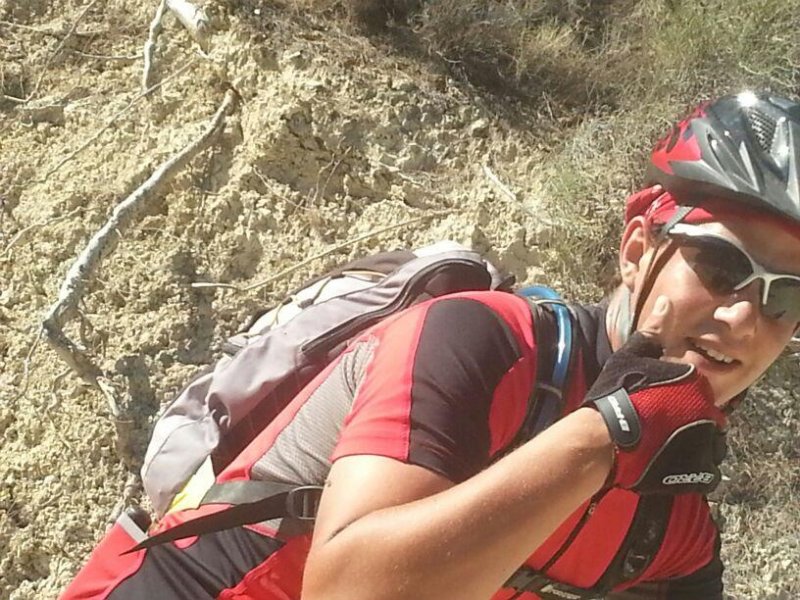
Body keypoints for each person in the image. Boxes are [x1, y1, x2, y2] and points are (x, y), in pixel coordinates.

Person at [62, 90, 800, 600]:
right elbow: (349, 591)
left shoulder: (675, 520)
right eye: (721, 264)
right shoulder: (482, 342)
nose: (745, 318)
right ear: (637, 250)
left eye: (789, 296)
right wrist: (605, 436)